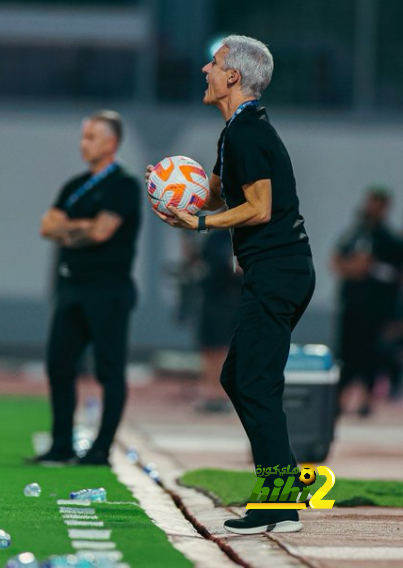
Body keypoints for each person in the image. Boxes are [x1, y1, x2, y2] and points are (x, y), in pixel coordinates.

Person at [147, 35, 314, 534]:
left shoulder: (246, 133)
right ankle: (287, 479)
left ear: (234, 77)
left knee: (256, 383)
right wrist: (166, 184)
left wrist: (199, 225)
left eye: (215, 64)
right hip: (274, 272)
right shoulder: (236, 130)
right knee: (237, 377)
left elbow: (258, 208)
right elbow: (217, 191)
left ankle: (279, 506)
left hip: (279, 271)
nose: (205, 69)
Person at [35, 110, 141, 466]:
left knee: (109, 369)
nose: (85, 143)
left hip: (108, 289)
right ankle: (61, 444)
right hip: (72, 287)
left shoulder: (123, 184)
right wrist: (82, 227)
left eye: (92, 137)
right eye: (83, 136)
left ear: (111, 142)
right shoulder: (74, 185)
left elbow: (101, 232)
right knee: (59, 364)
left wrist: (71, 227)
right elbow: (47, 227)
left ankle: (101, 448)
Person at [331, 187, 403, 415]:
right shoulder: (354, 234)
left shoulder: (391, 241)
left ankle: (367, 401)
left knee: (373, 356)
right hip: (351, 306)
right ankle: (340, 400)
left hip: (377, 310)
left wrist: (397, 316)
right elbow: (336, 261)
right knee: (346, 353)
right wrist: (355, 267)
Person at [195, 230, 242, 413]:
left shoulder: (245, 235)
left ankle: (223, 395)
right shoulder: (215, 237)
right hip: (212, 298)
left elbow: (239, 269)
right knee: (209, 348)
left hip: (232, 300)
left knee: (224, 349)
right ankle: (209, 393)